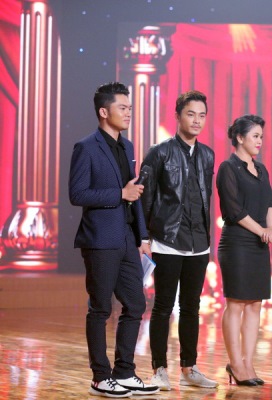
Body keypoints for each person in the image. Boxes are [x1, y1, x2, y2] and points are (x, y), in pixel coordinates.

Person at [69, 82, 159, 397]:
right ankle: (100, 376)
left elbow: (135, 194)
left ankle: (124, 372)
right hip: (99, 239)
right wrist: (120, 193)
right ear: (104, 112)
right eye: (123, 107)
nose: (129, 112)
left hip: (126, 238)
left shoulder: (128, 146)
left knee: (135, 303)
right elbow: (77, 194)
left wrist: (143, 236)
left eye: (130, 107)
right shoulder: (86, 147)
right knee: (100, 308)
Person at [140, 90, 218, 390]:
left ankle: (189, 368)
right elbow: (145, 198)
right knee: (162, 306)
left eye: (202, 115)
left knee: (191, 307)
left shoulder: (207, 154)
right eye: (191, 114)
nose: (197, 120)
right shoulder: (159, 152)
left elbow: (204, 198)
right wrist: (143, 236)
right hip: (166, 239)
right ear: (178, 116)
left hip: (199, 242)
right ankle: (159, 369)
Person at [216, 114, 272, 387]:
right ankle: (235, 363)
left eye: (261, 137)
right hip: (237, 244)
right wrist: (262, 231)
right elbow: (233, 210)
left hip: (259, 245)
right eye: (255, 136)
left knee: (255, 304)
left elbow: (270, 202)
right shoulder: (228, 168)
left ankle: (248, 362)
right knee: (236, 303)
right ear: (240, 138)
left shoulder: (261, 169)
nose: (260, 141)